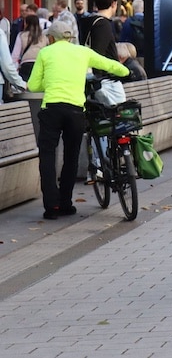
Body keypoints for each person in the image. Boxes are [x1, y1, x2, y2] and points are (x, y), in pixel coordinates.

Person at [27, 19, 129, 219]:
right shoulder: (83, 52)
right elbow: (114, 66)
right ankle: (65, 203)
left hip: (52, 110)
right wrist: (126, 71)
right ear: (70, 37)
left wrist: (50, 83)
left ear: (51, 38)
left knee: (47, 156)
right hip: (75, 111)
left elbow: (32, 85)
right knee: (71, 156)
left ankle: (51, 206)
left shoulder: (45, 53)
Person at [83, 0, 120, 79]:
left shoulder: (88, 21)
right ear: (113, 4)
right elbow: (98, 53)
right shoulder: (103, 24)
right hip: (105, 78)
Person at [11, 13, 47, 80]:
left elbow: (15, 55)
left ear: (26, 24)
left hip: (26, 65)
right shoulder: (44, 37)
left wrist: (12, 69)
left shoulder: (21, 35)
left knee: (26, 87)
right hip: (40, 64)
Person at [118, 0, 145, 67]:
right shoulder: (149, 21)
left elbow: (122, 41)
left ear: (133, 8)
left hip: (131, 58)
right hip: (146, 56)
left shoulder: (127, 22)